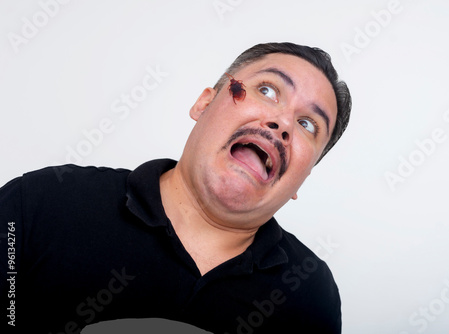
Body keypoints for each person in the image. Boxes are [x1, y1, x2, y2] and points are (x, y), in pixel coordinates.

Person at [1, 42, 351, 334]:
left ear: (302, 178)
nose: (283, 122)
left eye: (308, 124)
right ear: (204, 103)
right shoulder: (42, 204)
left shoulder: (309, 294)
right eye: (267, 90)